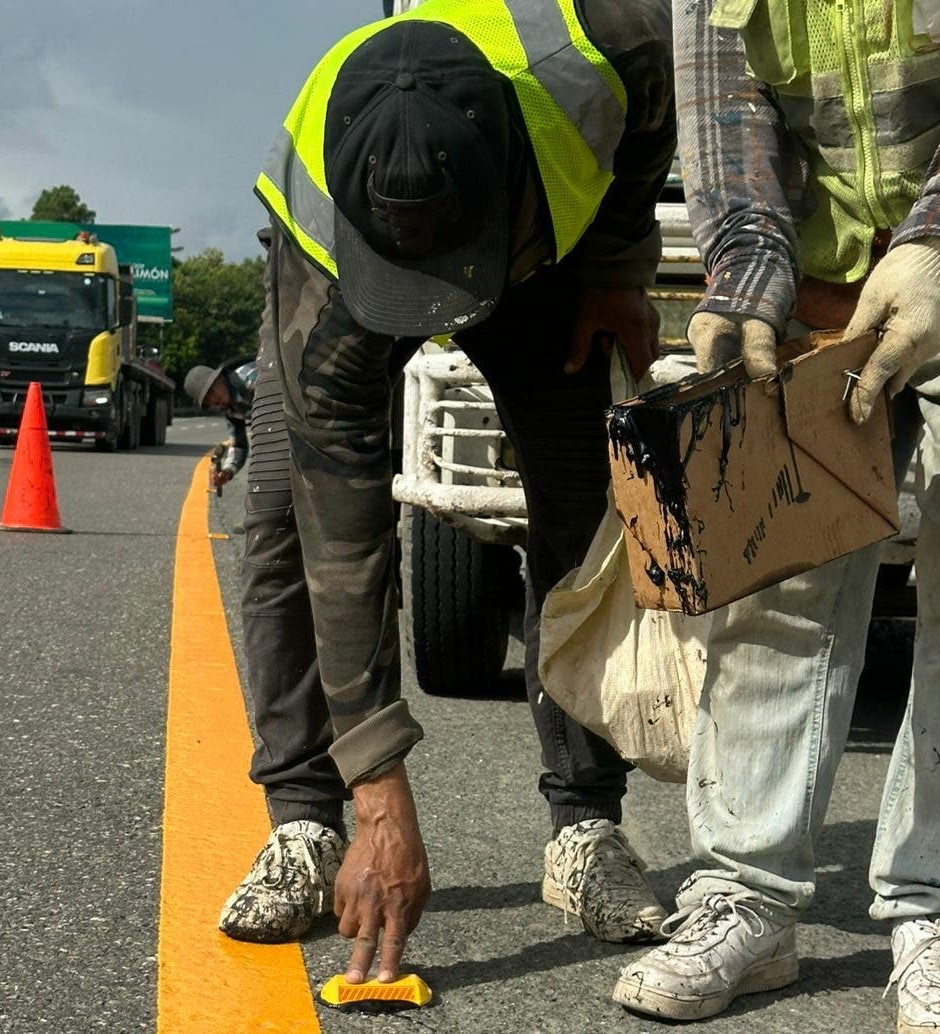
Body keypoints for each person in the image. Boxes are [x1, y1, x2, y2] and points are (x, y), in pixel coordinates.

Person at [236, 0, 677, 982]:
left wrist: (614, 265)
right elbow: (348, 544)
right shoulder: (320, 222)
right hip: (345, 267)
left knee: (580, 513)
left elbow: (653, 116)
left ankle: (587, 828)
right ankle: (305, 824)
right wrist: (379, 795)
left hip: (535, 260)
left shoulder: (607, 47)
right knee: (279, 513)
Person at [613, 0, 940, 1026]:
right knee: (778, 571)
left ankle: (934, 904)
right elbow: (729, 123)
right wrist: (747, 282)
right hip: (828, 293)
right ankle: (745, 898)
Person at [183, 357, 258, 491]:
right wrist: (227, 472)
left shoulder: (250, 378)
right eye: (207, 401)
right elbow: (239, 445)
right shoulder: (230, 409)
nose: (213, 400)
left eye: (211, 392)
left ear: (220, 378)